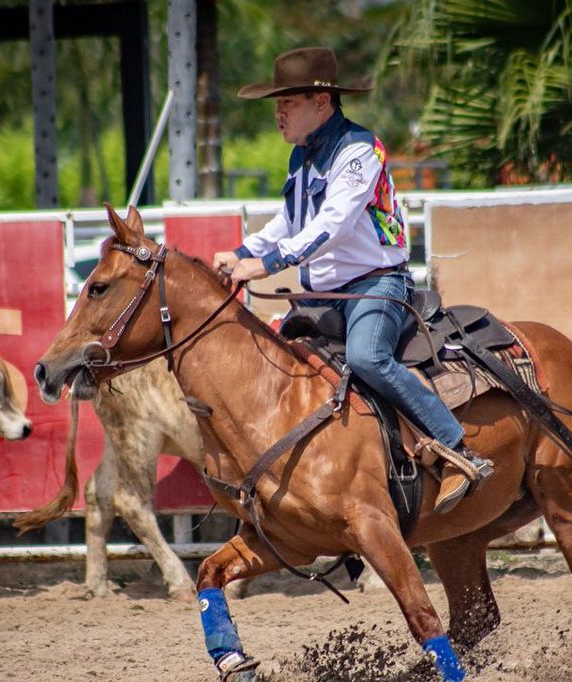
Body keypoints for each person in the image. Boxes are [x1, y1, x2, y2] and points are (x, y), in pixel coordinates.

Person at [211, 47, 492, 514]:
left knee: (368, 357)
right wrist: (242, 252)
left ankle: (458, 450)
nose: (279, 113)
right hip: (324, 294)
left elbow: (333, 225)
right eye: (278, 104)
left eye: (289, 102)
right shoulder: (301, 157)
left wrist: (266, 264)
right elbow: (290, 221)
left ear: (322, 102)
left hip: (375, 285)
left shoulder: (360, 150)